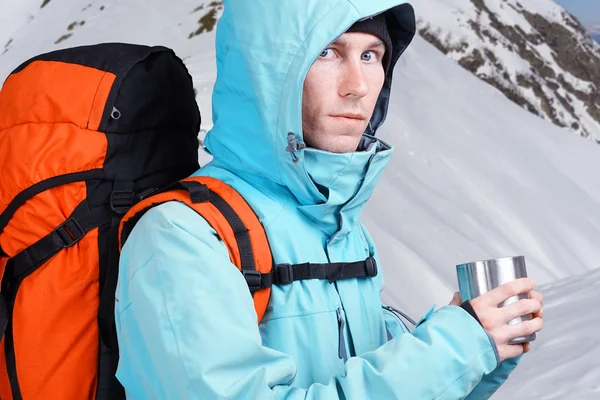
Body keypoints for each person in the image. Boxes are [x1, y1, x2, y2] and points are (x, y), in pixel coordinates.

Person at [115, 0, 544, 398]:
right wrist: (455, 347)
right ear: (268, 71)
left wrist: (479, 349)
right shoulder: (180, 236)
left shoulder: (338, 226)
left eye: (370, 55)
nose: (357, 86)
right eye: (327, 52)